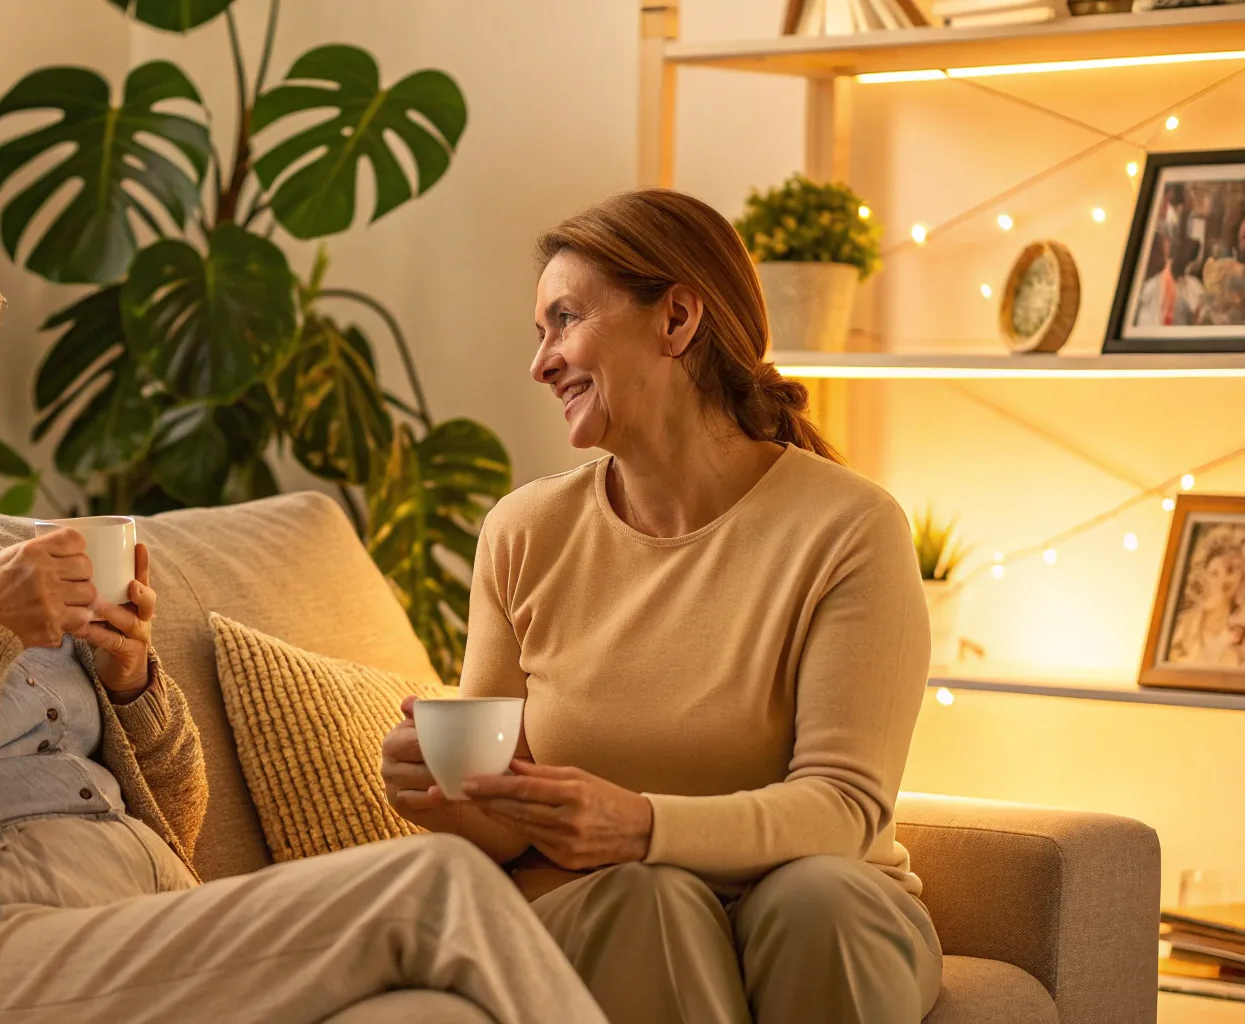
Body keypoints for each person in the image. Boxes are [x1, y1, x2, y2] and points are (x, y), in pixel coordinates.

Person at [0, 234, 606, 1024]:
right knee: (435, 882)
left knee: (426, 1017)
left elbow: (174, 817)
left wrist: (133, 685)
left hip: (141, 908)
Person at [380, 190, 941, 1024]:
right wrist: (448, 797)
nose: (541, 363)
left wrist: (642, 826)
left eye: (564, 320)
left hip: (825, 910)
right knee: (645, 903)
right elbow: (510, 821)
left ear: (676, 318)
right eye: (540, 334)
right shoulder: (525, 532)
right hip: (604, 909)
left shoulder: (850, 529)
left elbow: (843, 807)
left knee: (816, 901)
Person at [1167, 525, 1245, 669]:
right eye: (1214, 573)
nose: (1223, 581)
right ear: (1204, 574)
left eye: (1231, 571)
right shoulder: (1187, 621)